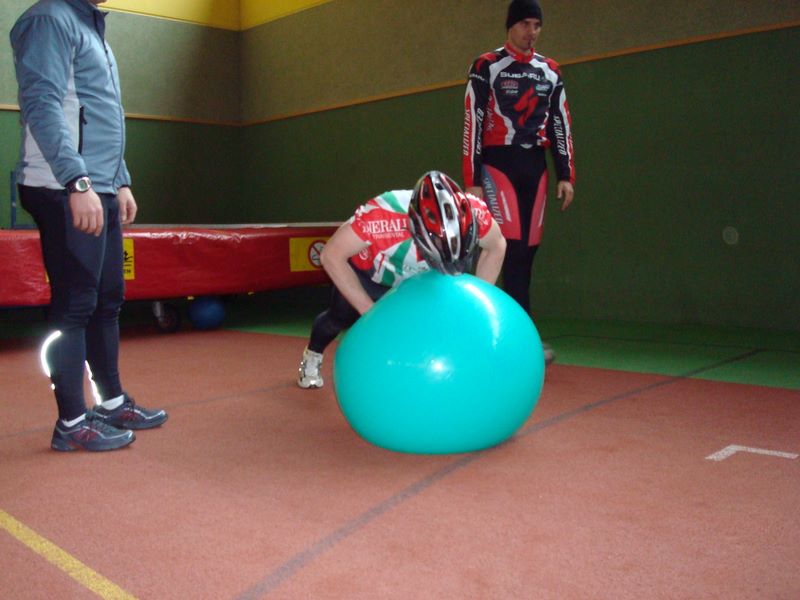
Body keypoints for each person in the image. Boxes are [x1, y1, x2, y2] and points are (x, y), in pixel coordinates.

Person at [11, 0, 167, 452]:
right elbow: (41, 103)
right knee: (76, 304)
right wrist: (76, 180)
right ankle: (72, 422)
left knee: (108, 298)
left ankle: (111, 401)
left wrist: (120, 180)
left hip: (99, 184)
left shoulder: (90, 26)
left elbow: (100, 112)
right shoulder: (49, 19)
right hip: (62, 185)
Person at [297, 170, 507, 389]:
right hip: (371, 277)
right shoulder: (382, 213)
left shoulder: (476, 213)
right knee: (338, 318)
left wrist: (475, 306)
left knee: (427, 328)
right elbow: (331, 255)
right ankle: (313, 354)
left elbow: (497, 246)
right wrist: (371, 313)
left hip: (422, 281)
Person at [462, 0, 575, 364]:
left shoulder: (550, 71)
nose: (532, 32)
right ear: (510, 26)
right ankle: (500, 337)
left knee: (527, 253)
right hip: (499, 165)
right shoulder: (487, 66)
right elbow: (473, 122)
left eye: (537, 25)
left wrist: (566, 174)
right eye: (525, 24)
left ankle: (520, 336)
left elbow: (560, 124)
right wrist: (472, 178)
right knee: (507, 250)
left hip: (535, 167)